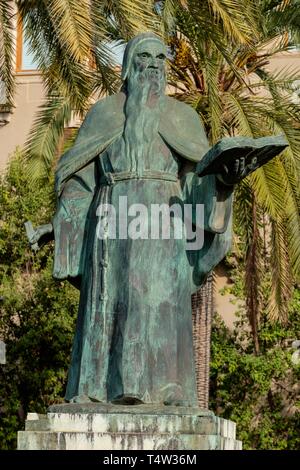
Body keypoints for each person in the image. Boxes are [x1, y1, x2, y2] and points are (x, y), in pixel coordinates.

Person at [46, 33, 285, 406]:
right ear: (127, 66)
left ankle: (166, 390)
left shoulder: (183, 118)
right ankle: (96, 390)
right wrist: (69, 222)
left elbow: (195, 184)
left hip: (165, 222)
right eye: (145, 55)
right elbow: (78, 179)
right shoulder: (104, 113)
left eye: (161, 56)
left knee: (159, 300)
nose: (154, 63)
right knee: (110, 301)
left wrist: (224, 180)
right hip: (112, 221)